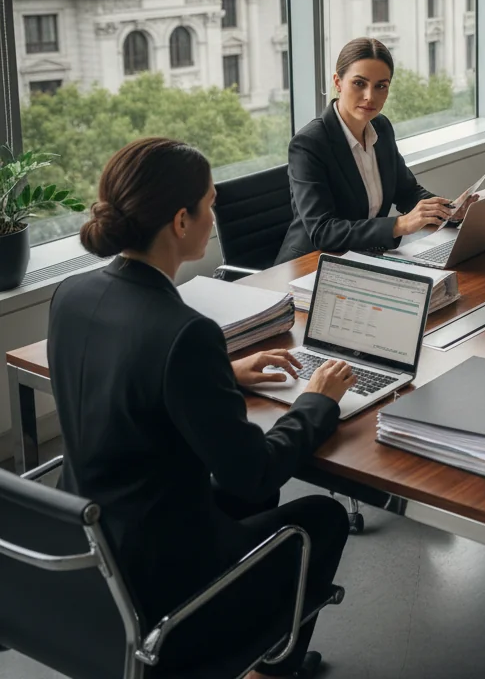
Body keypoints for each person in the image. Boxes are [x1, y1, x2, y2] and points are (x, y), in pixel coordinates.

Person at [49, 138, 354, 679]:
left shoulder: (71, 295)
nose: (215, 215)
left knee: (262, 494)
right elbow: (249, 473)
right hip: (164, 588)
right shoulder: (185, 332)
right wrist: (315, 403)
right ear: (181, 221)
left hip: (94, 559)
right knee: (322, 517)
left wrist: (220, 376)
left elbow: (123, 379)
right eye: (210, 204)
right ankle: (268, 669)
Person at [277, 37, 476, 263]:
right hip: (311, 264)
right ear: (338, 82)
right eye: (359, 83)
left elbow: (407, 192)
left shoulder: (381, 127)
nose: (370, 96)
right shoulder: (309, 144)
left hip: (365, 256)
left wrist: (448, 209)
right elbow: (323, 231)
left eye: (381, 86)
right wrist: (400, 224)